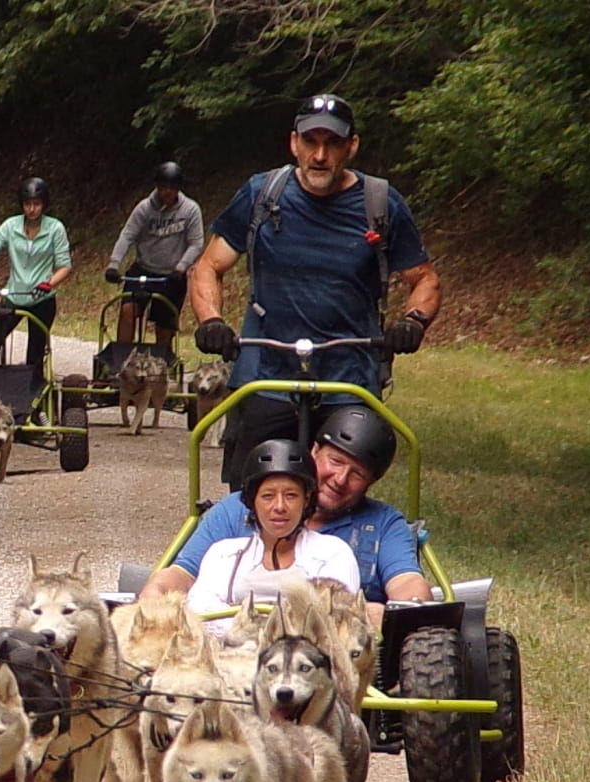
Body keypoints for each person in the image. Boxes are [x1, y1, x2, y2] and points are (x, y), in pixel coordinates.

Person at [187, 93, 442, 490]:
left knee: (340, 494)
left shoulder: (380, 204)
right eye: (310, 141)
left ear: (351, 146)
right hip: (266, 374)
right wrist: (211, 321)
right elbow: (208, 265)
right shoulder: (262, 194)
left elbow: (424, 278)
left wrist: (412, 322)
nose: (320, 155)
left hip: (348, 377)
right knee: (254, 495)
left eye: (333, 143)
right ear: (294, 143)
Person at [140, 404, 429, 629]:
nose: (340, 479)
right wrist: (156, 592)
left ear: (371, 483)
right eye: (335, 461)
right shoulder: (233, 514)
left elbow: (409, 585)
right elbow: (183, 574)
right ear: (314, 452)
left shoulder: (380, 526)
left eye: (357, 474)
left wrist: (395, 611)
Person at [151, 438, 359, 639]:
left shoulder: (332, 553)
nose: (279, 507)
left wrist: (241, 617)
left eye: (291, 496)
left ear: (306, 501)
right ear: (253, 502)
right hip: (232, 661)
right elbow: (201, 613)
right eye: (268, 496)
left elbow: (330, 624)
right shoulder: (225, 553)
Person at [0, 176, 73, 369]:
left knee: (35, 354)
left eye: (36, 204)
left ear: (44, 205)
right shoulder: (10, 226)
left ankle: (32, 395)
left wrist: (48, 284)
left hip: (42, 299)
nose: (32, 209)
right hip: (14, 296)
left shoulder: (55, 228)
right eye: (27, 204)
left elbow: (65, 266)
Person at [104, 162, 205, 354]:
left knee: (164, 325)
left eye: (172, 188)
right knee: (128, 310)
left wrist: (181, 267)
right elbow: (127, 235)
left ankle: (161, 365)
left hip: (172, 275)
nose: (167, 192)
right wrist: (113, 265)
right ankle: (122, 358)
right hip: (143, 268)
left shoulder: (190, 210)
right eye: (163, 188)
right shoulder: (144, 208)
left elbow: (196, 243)